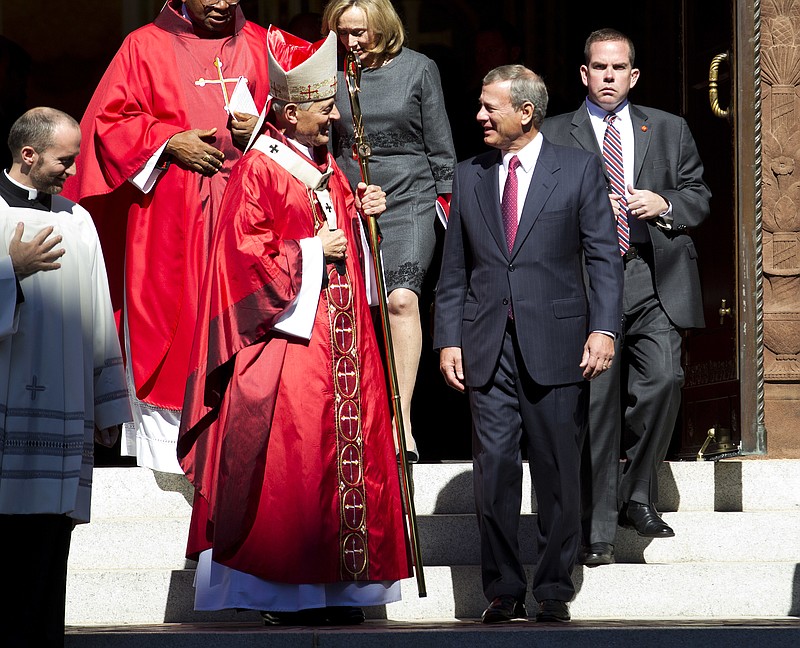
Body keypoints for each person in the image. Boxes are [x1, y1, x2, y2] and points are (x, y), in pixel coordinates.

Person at [177, 26, 411, 626]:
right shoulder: (261, 165)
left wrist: (362, 218)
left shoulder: (326, 162)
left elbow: (344, 241)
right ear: (288, 111)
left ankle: (342, 590)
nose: (334, 114)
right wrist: (311, 252)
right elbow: (242, 253)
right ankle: (288, 593)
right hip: (289, 340)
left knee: (343, 456)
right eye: (324, 106)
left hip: (343, 337)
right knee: (297, 461)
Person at [434, 65, 623, 623]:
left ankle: (555, 587)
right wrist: (449, 339)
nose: (479, 117)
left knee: (558, 472)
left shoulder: (580, 169)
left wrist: (604, 328)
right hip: (486, 343)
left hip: (559, 341)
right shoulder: (468, 174)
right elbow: (455, 269)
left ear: (526, 112)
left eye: (490, 107)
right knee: (494, 469)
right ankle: (503, 588)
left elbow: (602, 257)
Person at [63, 0, 270, 473]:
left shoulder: (262, 44)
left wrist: (259, 128)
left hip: (249, 219)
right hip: (167, 222)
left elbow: (303, 121)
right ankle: (170, 461)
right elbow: (109, 122)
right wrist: (167, 142)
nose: (221, 3)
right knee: (173, 325)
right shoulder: (143, 46)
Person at [540, 29, 711, 566]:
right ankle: (596, 535)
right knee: (597, 403)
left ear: (633, 75)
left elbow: (698, 196)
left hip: (652, 276)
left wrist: (663, 202)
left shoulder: (668, 128)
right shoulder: (553, 134)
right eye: (599, 67)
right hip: (588, 283)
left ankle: (637, 494)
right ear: (584, 74)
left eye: (618, 68)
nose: (608, 76)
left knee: (665, 379)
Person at [0, 107, 131, 647]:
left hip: (62, 426)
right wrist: (12, 272)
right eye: (64, 160)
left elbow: (98, 314)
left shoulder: (79, 221)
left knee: (51, 550)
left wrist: (107, 409)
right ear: (27, 155)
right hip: (8, 434)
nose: (72, 172)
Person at [323, 0, 457, 462]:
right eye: (343, 32)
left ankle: (402, 422)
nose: (352, 41)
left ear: (384, 27)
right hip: (350, 198)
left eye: (360, 31)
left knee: (402, 299)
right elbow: (323, 143)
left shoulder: (419, 69)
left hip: (411, 199)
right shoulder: (332, 73)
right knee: (354, 308)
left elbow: (440, 147)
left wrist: (454, 215)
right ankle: (360, 415)